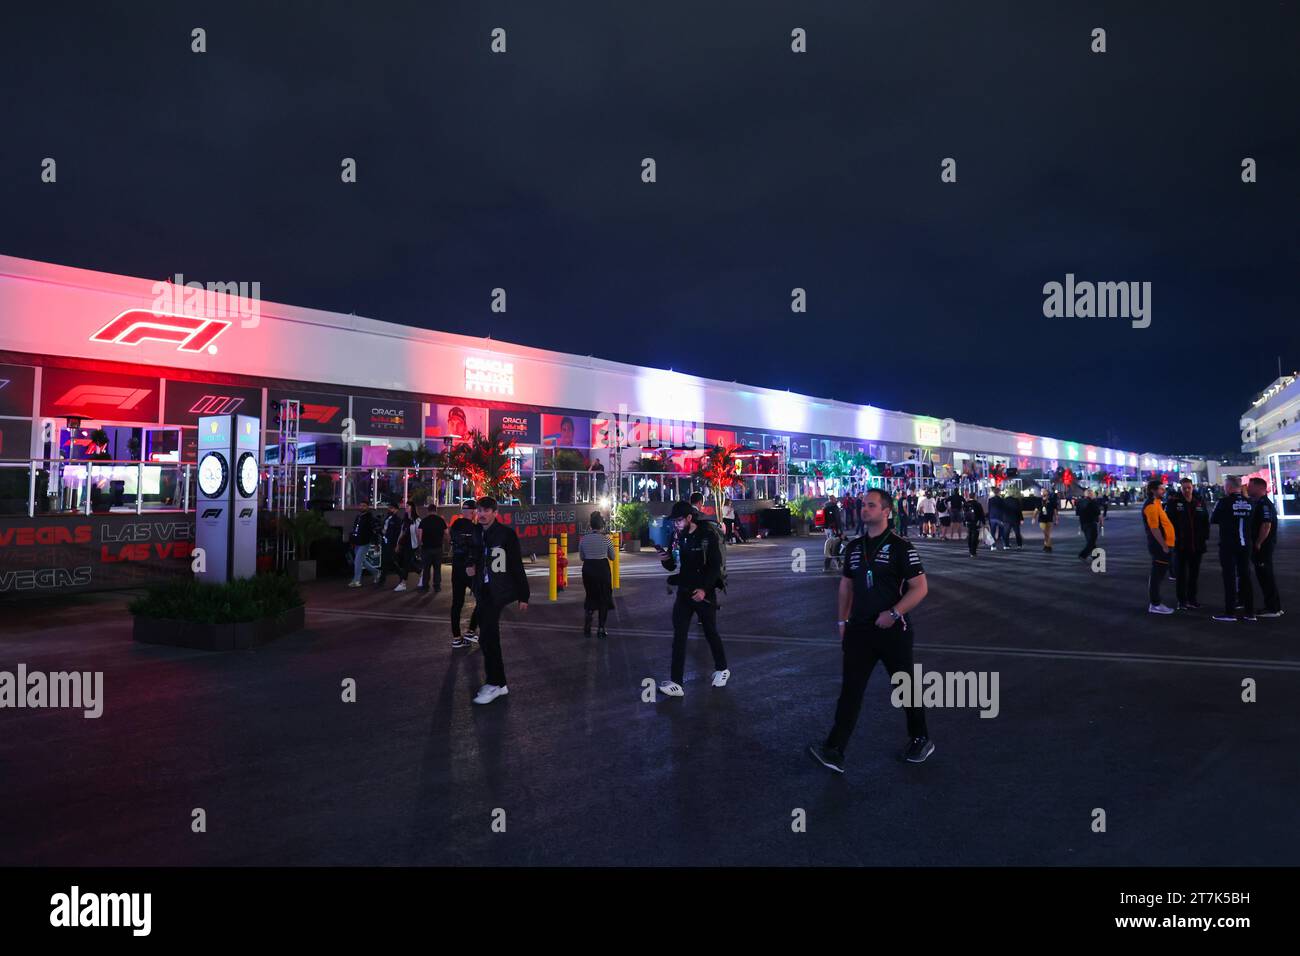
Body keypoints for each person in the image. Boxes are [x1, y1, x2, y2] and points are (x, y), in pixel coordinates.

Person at [809, 488, 933, 774]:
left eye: (871, 506)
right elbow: (846, 586)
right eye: (863, 505)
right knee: (851, 690)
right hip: (859, 631)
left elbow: (920, 588)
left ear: (886, 511)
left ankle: (920, 738)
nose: (865, 510)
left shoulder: (902, 547)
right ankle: (835, 749)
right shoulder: (853, 547)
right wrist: (842, 622)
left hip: (894, 631)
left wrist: (894, 613)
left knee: (905, 688)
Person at [657, 500, 729, 697]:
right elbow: (673, 566)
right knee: (679, 635)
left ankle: (722, 669)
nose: (676, 524)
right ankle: (676, 683)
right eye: (674, 521)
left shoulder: (706, 536)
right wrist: (665, 560)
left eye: (679, 520)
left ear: (689, 518)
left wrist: (704, 590)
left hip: (704, 593)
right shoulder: (676, 536)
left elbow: (714, 566)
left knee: (710, 632)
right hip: (684, 592)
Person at [466, 496, 529, 705]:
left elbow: (516, 565)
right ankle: (499, 684)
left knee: (488, 638)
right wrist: (471, 566)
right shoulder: (476, 532)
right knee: (486, 638)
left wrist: (523, 595)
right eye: (479, 510)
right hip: (482, 590)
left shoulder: (506, 535)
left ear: (495, 512)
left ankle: (495, 683)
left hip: (498, 591)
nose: (481, 514)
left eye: (486, 510)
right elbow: (472, 554)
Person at [1210, 476, 1255, 623]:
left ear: (1229, 487)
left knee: (1229, 578)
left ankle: (1230, 612)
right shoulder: (1250, 502)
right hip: (1246, 544)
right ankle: (1250, 612)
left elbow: (1213, 519)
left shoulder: (1223, 502)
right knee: (1246, 577)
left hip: (1229, 545)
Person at [1165, 478, 1208, 609]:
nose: (1187, 490)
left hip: (1197, 544)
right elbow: (1168, 523)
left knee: (1194, 574)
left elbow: (1205, 521)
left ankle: (1192, 599)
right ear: (1180, 488)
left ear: (1192, 487)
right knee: (1181, 574)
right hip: (1180, 545)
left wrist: (1205, 537)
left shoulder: (1199, 501)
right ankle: (1181, 601)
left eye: (1189, 487)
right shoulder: (1174, 502)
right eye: (1184, 488)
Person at [1247, 476, 1283, 618]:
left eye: (1250, 486)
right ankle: (1275, 607)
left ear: (1258, 487)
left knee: (1265, 576)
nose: (1248, 488)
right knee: (1265, 576)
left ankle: (1272, 609)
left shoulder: (1263, 504)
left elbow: (1266, 525)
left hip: (1263, 547)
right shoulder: (1260, 503)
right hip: (1263, 546)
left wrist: (1258, 543)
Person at [448, 499, 482, 648]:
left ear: (463, 511)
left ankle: (456, 637)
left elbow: (456, 545)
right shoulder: (475, 529)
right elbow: (470, 547)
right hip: (469, 569)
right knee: (483, 599)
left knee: (457, 603)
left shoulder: (454, 526)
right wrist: (470, 563)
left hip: (456, 568)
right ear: (474, 512)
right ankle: (470, 631)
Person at [579, 511, 616, 638]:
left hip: (588, 569)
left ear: (591, 526)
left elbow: (582, 557)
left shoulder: (584, 539)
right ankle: (601, 628)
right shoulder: (606, 540)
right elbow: (613, 557)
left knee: (590, 595)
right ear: (602, 526)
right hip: (602, 569)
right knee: (603, 598)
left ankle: (588, 623)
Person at [1141, 479, 1176, 614]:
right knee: (1157, 575)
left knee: (1159, 574)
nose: (1164, 491)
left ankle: (1155, 603)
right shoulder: (1150, 505)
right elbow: (1154, 529)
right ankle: (1155, 604)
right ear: (1153, 490)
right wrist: (1164, 545)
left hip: (1165, 544)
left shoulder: (1157, 502)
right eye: (1161, 489)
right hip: (1159, 546)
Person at [376, 500, 407, 590]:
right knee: (386, 561)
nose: (390, 509)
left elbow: (398, 533)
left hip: (391, 543)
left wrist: (397, 544)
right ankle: (386, 579)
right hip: (385, 542)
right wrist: (381, 533)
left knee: (389, 561)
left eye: (392, 508)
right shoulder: (387, 518)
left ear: (396, 510)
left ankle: (400, 576)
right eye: (389, 508)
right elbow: (385, 529)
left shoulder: (397, 520)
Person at [348, 499, 380, 587]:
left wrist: (376, 543)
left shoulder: (370, 518)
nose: (362, 507)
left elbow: (374, 531)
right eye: (361, 505)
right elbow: (355, 529)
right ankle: (376, 572)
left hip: (365, 543)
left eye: (364, 506)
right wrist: (352, 541)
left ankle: (356, 580)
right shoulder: (358, 517)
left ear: (368, 507)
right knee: (362, 561)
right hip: (357, 542)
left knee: (358, 561)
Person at [416, 503, 447, 593]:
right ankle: (437, 586)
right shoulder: (441, 520)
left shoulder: (424, 521)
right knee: (437, 568)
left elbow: (419, 534)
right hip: (438, 548)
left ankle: (425, 586)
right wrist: (446, 541)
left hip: (426, 548)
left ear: (428, 511)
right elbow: (446, 533)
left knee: (426, 568)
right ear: (436, 510)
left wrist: (419, 545)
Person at [1076, 489, 1102, 562]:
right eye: (1093, 494)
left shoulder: (1080, 502)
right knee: (1091, 541)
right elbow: (1098, 513)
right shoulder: (1093, 502)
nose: (1094, 495)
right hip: (1091, 523)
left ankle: (1095, 556)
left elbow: (1078, 513)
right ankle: (1083, 555)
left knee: (1090, 540)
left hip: (1083, 524)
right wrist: (1101, 523)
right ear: (1090, 494)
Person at [963, 490, 986, 557]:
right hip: (976, 521)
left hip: (968, 521)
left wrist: (964, 521)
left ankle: (970, 549)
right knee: (975, 536)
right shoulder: (977, 504)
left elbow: (964, 514)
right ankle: (973, 551)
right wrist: (983, 522)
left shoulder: (966, 504)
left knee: (970, 534)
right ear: (975, 497)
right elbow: (981, 514)